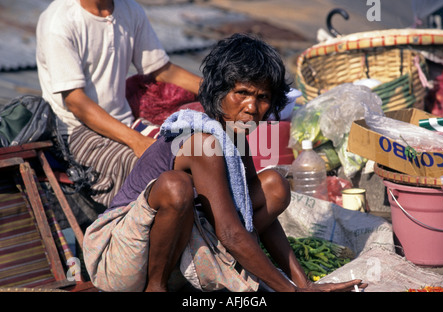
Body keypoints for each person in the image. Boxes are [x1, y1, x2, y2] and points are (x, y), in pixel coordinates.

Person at [82, 33, 367, 292]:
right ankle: (156, 287)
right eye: (241, 93)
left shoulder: (234, 133)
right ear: (220, 93)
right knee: (175, 186)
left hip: (180, 247)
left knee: (274, 186)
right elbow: (230, 232)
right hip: (119, 256)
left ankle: (204, 271)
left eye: (262, 97)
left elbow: (250, 211)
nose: (252, 108)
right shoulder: (205, 141)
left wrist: (302, 283)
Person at [35, 0, 202, 207]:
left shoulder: (129, 9)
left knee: (197, 151)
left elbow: (162, 69)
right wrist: (137, 141)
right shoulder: (58, 21)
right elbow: (76, 102)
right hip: (75, 132)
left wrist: (217, 89)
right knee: (156, 172)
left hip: (125, 123)